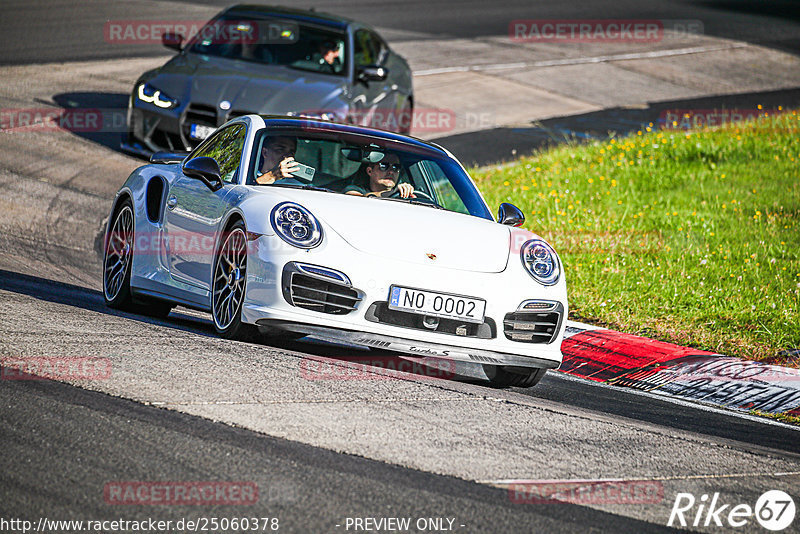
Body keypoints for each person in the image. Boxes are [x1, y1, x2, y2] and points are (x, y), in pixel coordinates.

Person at [344, 152, 415, 198]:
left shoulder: (402, 195)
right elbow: (358, 198)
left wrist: (407, 192)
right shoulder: (353, 189)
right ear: (369, 171)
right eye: (384, 166)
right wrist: (391, 193)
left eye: (395, 167)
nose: (391, 172)